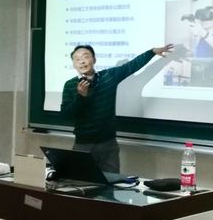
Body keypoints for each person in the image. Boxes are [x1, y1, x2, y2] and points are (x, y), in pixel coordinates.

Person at [60, 43, 173, 173]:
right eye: (77, 59)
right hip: (83, 145)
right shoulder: (70, 85)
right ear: (73, 64)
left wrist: (152, 52)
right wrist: (81, 97)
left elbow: (132, 66)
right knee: (81, 181)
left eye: (86, 56)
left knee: (112, 182)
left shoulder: (108, 76)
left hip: (108, 144)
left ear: (94, 60)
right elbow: (65, 115)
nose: (82, 61)